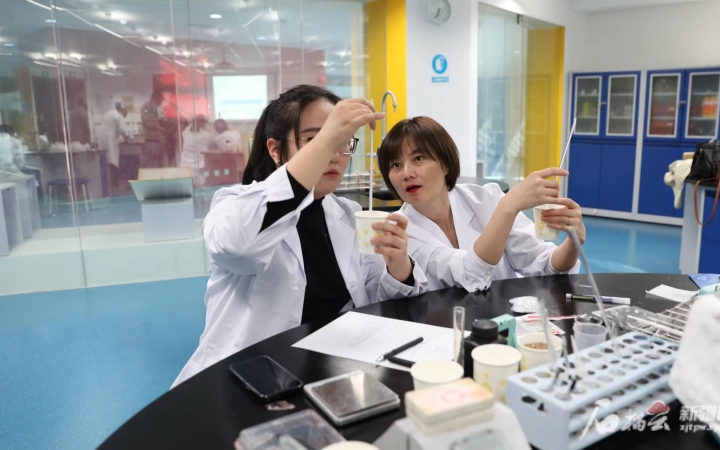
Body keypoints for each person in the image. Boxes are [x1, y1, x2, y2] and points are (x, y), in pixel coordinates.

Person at [173, 85, 427, 387]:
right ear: (275, 149)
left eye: (343, 142)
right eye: (315, 140)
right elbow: (239, 248)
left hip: (332, 374)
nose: (335, 154)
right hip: (245, 380)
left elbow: (374, 302)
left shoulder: (347, 214)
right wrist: (327, 140)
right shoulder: (234, 205)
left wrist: (399, 269)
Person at [377, 116, 584, 293]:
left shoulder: (485, 199)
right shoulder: (400, 233)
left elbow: (541, 262)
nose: (407, 173)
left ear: (445, 164)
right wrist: (508, 207)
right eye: (396, 165)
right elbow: (471, 275)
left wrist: (574, 242)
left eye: (418, 158)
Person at [101, 103, 130, 187]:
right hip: (111, 139)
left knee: (107, 160)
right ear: (122, 110)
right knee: (113, 161)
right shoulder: (118, 115)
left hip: (103, 139)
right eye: (124, 114)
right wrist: (127, 136)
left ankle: (109, 184)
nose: (123, 116)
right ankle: (115, 184)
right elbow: (122, 129)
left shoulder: (108, 114)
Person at [180, 115, 213, 185]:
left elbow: (212, 147)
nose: (202, 124)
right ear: (193, 122)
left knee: (201, 185)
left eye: (203, 122)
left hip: (200, 165)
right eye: (200, 121)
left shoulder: (206, 135)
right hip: (186, 164)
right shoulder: (184, 133)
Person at [141, 90, 165, 168]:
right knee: (151, 165)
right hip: (151, 141)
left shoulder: (153, 108)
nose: (160, 103)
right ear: (156, 99)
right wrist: (159, 127)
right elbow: (148, 123)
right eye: (160, 101)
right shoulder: (147, 107)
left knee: (155, 164)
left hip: (156, 140)